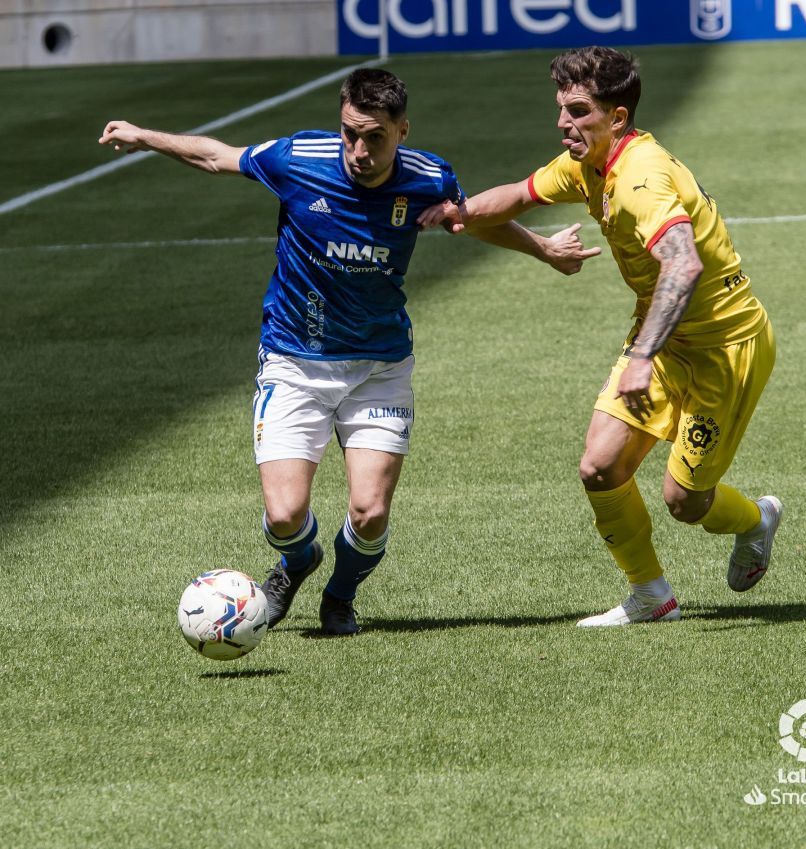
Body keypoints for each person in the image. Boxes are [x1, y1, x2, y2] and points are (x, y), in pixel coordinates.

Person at [99, 68, 599, 635]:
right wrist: (145, 136)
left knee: (370, 512)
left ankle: (339, 595)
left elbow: (471, 221)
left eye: (375, 137)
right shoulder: (299, 159)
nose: (359, 150)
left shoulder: (430, 177)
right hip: (293, 361)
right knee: (285, 516)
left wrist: (545, 249)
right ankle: (298, 560)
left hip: (378, 367)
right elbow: (218, 156)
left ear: (402, 130)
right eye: (349, 133)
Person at [418, 47, 782, 626]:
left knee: (684, 503)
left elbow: (682, 266)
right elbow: (516, 194)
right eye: (561, 108)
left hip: (726, 347)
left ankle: (757, 517)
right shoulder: (590, 164)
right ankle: (650, 595)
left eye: (579, 110)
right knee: (600, 467)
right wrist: (458, 211)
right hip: (661, 340)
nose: (564, 122)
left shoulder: (641, 176)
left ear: (617, 118)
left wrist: (641, 359)